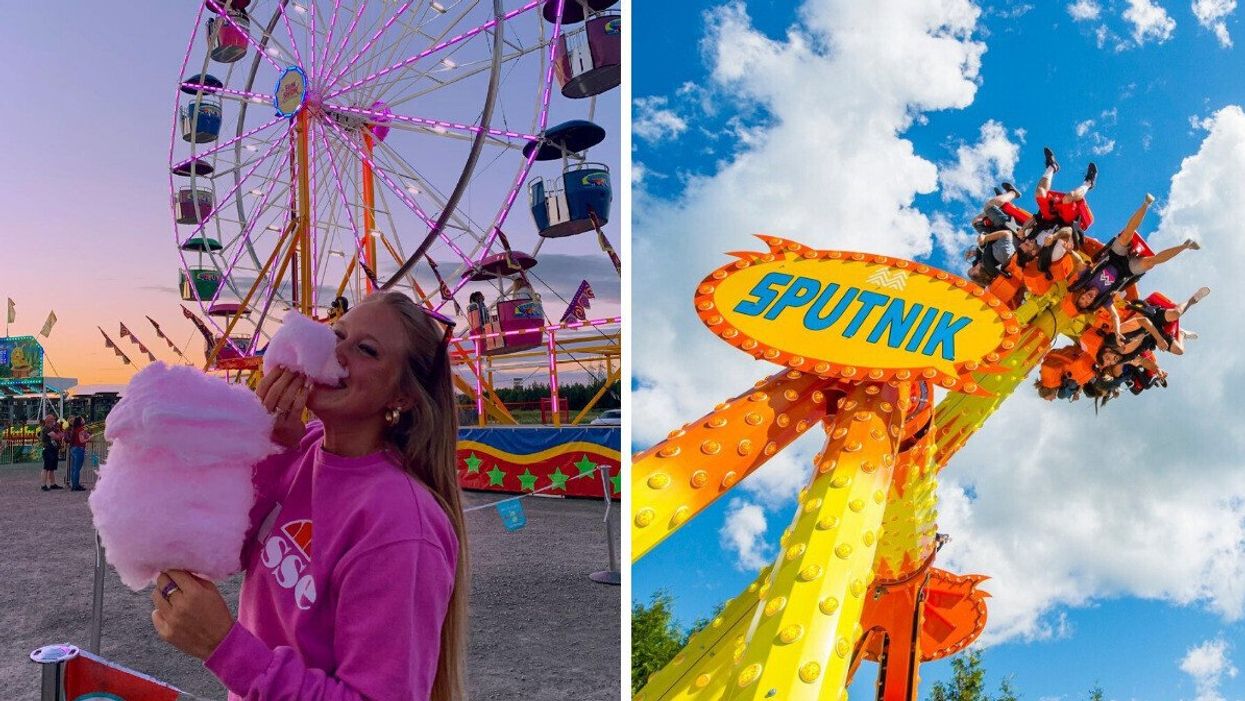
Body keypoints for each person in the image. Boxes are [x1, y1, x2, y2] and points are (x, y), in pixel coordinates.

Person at [149, 291, 467, 700]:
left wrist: (225, 647)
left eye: (366, 350)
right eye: (336, 335)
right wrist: (268, 445)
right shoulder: (305, 447)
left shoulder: (400, 525)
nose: (337, 353)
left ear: (401, 397)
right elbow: (231, 551)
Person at [38, 413, 64, 491]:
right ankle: (43, 485)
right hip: (47, 449)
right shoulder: (46, 428)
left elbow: (58, 435)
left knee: (52, 468)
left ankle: (53, 484)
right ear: (49, 421)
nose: (54, 422)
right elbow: (56, 436)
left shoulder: (51, 428)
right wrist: (60, 434)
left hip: (53, 449)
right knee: (46, 468)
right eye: (53, 420)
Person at [67, 416, 91, 491]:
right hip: (79, 449)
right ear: (80, 421)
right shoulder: (81, 429)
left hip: (73, 448)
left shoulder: (75, 429)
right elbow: (82, 441)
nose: (84, 420)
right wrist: (89, 438)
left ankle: (74, 484)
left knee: (74, 468)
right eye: (82, 419)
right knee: (77, 468)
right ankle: (76, 485)